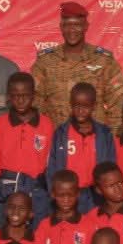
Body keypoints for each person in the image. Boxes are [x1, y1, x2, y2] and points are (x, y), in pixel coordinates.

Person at [30, 2, 123, 128]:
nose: (72, 30)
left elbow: (118, 105)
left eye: (77, 25)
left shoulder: (104, 61)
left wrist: (109, 138)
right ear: (61, 27)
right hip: (57, 137)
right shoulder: (45, 62)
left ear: (86, 26)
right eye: (67, 25)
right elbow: (35, 104)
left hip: (94, 137)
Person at [0, 71, 54, 226]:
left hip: (37, 195)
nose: (20, 100)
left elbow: (50, 165)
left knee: (37, 235)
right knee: (8, 236)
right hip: (7, 193)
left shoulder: (46, 125)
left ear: (33, 95)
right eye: (15, 96)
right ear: (9, 97)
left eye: (25, 95)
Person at [48, 83, 117, 212]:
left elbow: (111, 165)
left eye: (85, 106)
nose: (80, 110)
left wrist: (107, 190)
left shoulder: (104, 134)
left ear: (94, 106)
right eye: (76, 105)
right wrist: (54, 192)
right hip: (68, 195)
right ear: (70, 104)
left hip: (96, 195)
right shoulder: (61, 133)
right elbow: (53, 166)